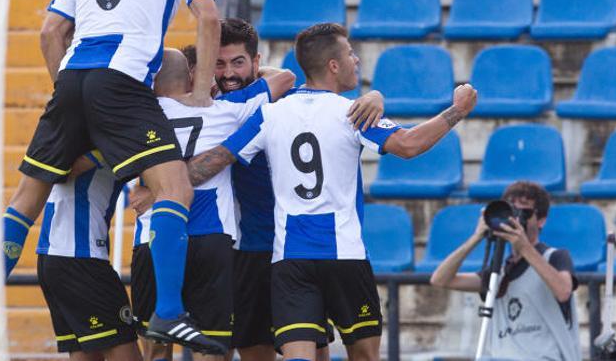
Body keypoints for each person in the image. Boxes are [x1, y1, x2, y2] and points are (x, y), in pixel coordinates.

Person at [0, 0, 223, 353]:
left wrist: (68, 94)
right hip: (121, 80)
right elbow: (207, 16)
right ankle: (166, 313)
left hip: (73, 76)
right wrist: (201, 90)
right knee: (175, 187)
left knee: (26, 198)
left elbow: (50, 33)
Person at [186, 23, 478, 361]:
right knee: (365, 355)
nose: (357, 60)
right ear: (334, 66)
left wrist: (166, 186)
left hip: (290, 257)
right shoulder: (350, 113)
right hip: (342, 254)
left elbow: (217, 159)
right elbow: (410, 145)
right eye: (351, 55)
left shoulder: (269, 113)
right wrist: (458, 110)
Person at [212, 19, 383, 361]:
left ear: (257, 63)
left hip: (293, 249)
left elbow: (301, 81)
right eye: (219, 63)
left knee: (315, 350)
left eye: (238, 62)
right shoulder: (207, 109)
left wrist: (375, 96)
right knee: (253, 351)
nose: (229, 73)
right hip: (245, 249)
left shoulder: (282, 104)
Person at [129, 47, 295, 361]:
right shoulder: (225, 111)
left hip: (153, 238)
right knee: (210, 349)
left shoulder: (136, 118)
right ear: (191, 76)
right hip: (210, 237)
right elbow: (284, 79)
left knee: (154, 348)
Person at [430, 182, 581, 360]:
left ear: (541, 220)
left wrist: (524, 247)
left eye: (523, 212)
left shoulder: (555, 257)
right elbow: (440, 279)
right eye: (511, 213)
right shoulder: (499, 274)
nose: (515, 220)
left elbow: (563, 291)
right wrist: (477, 237)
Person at [36, 152, 142, 361]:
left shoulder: (68, 135)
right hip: (80, 257)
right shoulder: (104, 136)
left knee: (87, 353)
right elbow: (60, 171)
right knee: (124, 350)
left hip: (53, 256)